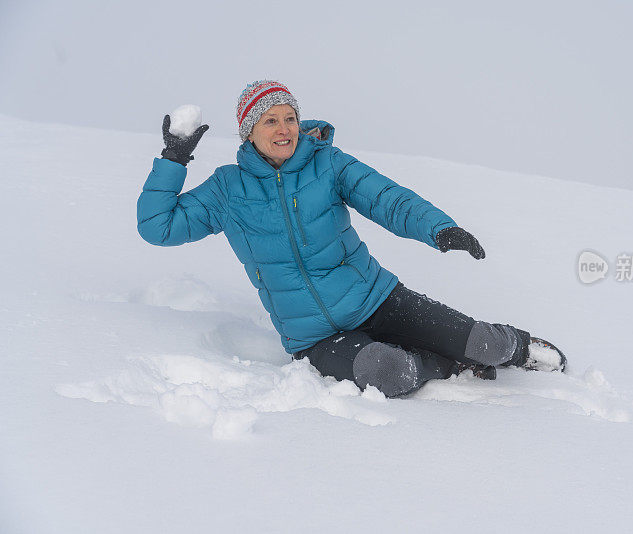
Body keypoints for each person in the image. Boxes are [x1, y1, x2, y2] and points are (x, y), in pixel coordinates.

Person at [137, 80, 566, 398]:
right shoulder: (227, 190)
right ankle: (447, 364)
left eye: (290, 118)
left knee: (484, 343)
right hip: (315, 339)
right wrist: (174, 160)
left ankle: (517, 345)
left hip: (377, 299)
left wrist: (439, 228)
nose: (283, 128)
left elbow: (388, 199)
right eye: (270, 120)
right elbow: (159, 227)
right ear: (249, 131)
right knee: (390, 372)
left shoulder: (328, 164)